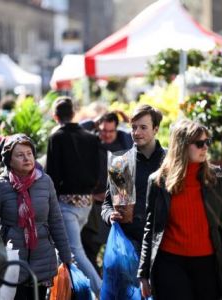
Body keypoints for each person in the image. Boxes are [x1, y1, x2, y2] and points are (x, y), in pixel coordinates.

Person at [137, 119, 222, 300]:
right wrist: (144, 273)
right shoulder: (158, 181)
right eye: (199, 143)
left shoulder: (215, 177)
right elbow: (150, 229)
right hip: (170, 262)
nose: (205, 148)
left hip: (208, 262)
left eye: (207, 142)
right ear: (182, 146)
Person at [0, 134, 72, 300]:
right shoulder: (0, 185)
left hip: (42, 257)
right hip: (12, 259)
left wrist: (66, 257)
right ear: (9, 161)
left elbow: (56, 221)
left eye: (29, 153)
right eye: (20, 155)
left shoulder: (45, 181)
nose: (27, 158)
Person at [45, 97, 102, 296]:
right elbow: (98, 171)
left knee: (74, 251)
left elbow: (51, 174)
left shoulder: (57, 137)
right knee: (65, 251)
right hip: (87, 202)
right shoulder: (90, 137)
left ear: (55, 116)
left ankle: (102, 291)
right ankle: (66, 292)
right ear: (73, 113)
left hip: (65, 203)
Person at [101, 104, 165, 253]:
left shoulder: (169, 161)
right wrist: (111, 216)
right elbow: (107, 205)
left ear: (156, 129)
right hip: (131, 244)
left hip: (165, 244)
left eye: (143, 127)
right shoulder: (120, 163)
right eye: (133, 127)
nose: (137, 132)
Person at [81, 111, 133, 275]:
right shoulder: (92, 141)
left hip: (117, 206)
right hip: (93, 205)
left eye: (111, 131)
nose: (107, 134)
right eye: (103, 130)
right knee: (90, 247)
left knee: (118, 250)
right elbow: (75, 129)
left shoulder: (123, 141)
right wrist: (93, 122)